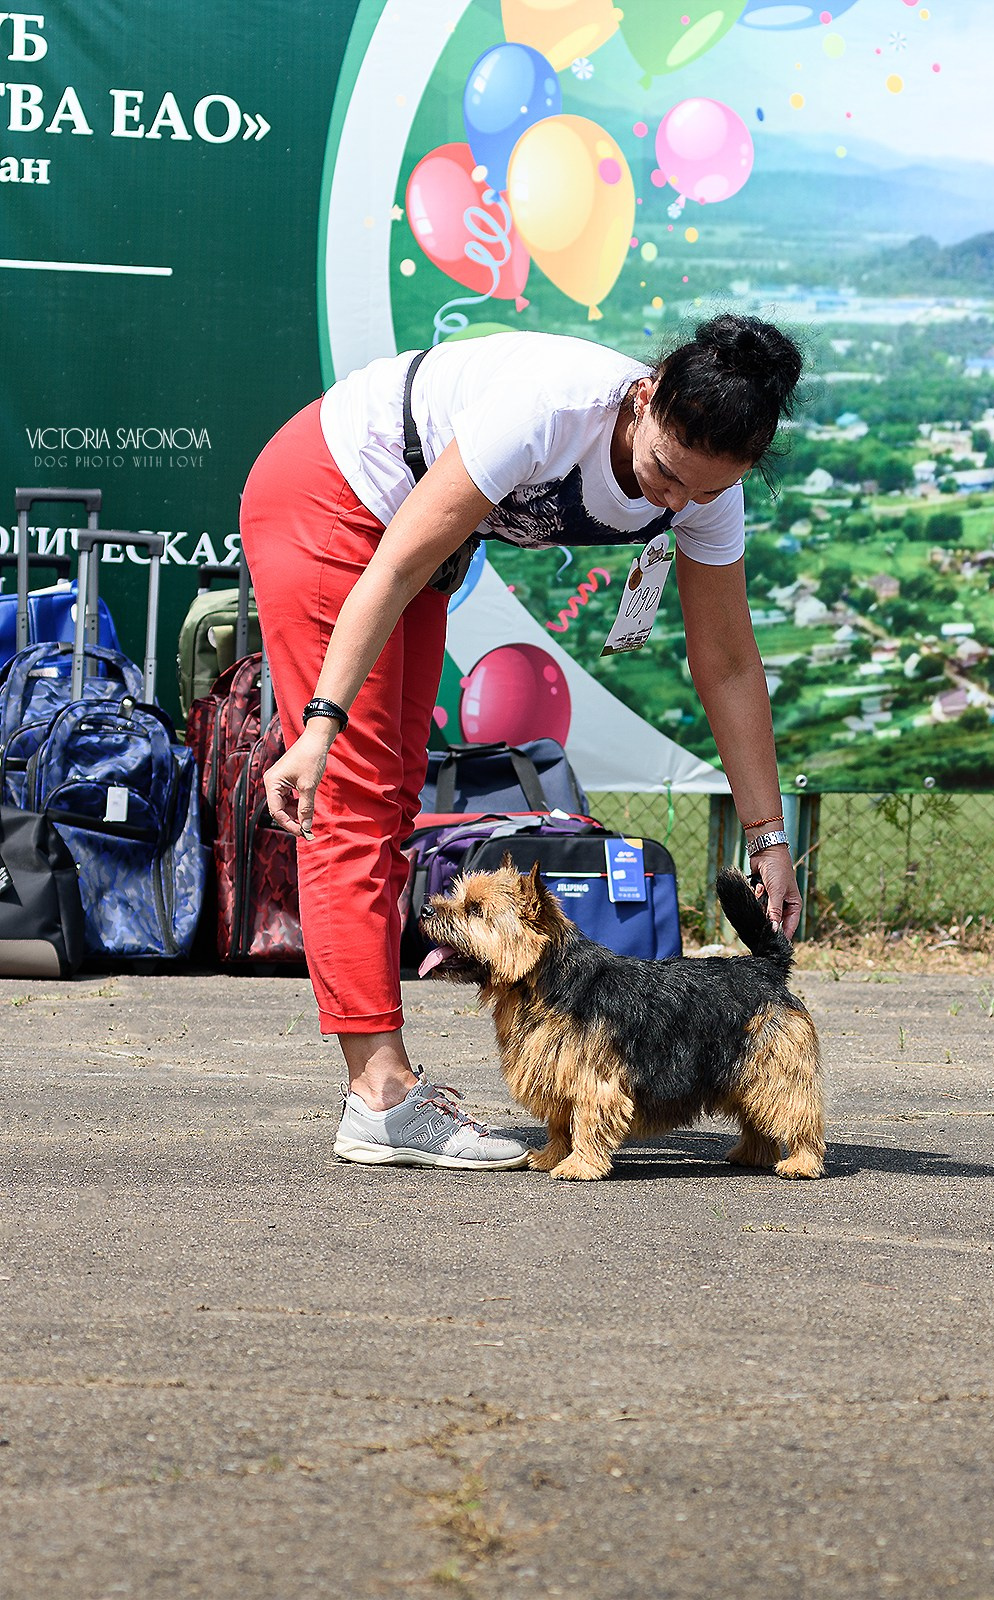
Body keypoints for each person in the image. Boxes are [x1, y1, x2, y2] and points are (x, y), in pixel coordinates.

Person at [240, 314, 805, 1172]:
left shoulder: (702, 485)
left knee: (394, 794)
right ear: (644, 398)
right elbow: (389, 568)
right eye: (663, 475)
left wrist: (767, 836)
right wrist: (319, 724)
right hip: (334, 491)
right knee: (352, 791)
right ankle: (380, 1097)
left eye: (701, 493)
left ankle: (383, 1089)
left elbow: (726, 664)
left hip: (417, 537)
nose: (673, 505)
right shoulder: (549, 407)